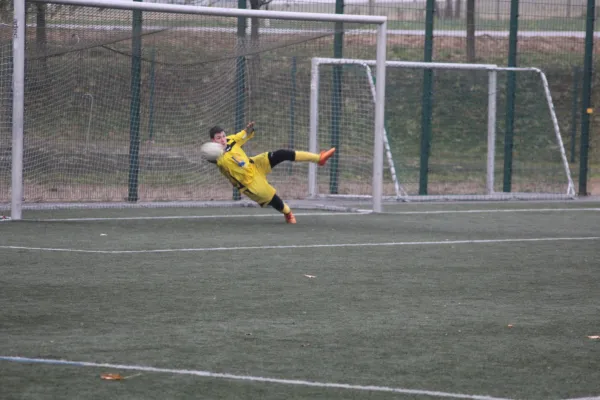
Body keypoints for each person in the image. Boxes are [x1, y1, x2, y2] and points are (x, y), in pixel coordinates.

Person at [208, 121, 335, 224]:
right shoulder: (218, 157)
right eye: (219, 138)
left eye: (223, 136)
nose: (223, 139)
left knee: (282, 154)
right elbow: (218, 161)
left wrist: (248, 130)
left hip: (255, 165)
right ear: (213, 141)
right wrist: (213, 152)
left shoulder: (230, 140)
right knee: (273, 199)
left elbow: (243, 135)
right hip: (249, 183)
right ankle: (288, 213)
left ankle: (319, 158)